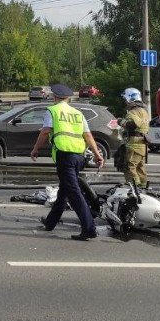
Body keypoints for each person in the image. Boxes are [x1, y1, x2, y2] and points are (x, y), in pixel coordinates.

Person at [30, 83, 105, 240]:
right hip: (79, 155)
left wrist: (36, 149)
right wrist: (97, 154)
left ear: (55, 97)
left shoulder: (53, 111)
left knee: (74, 193)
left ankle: (89, 228)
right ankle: (50, 222)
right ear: (68, 99)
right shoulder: (78, 113)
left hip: (65, 155)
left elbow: (45, 132)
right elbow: (88, 135)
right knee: (64, 190)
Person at [119, 87, 150, 188]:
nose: (125, 102)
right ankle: (143, 186)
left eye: (125, 99)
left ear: (130, 98)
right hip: (142, 143)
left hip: (134, 143)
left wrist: (120, 122)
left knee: (130, 167)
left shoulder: (133, 112)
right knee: (140, 167)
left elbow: (132, 125)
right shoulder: (144, 111)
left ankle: (134, 187)